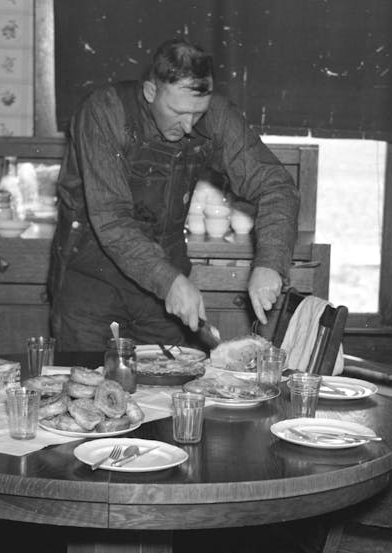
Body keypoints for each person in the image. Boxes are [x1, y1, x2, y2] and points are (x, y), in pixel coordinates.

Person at [48, 38, 300, 351]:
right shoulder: (103, 112)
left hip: (162, 291)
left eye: (198, 114)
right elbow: (112, 220)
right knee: (89, 390)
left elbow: (276, 184)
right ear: (150, 91)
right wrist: (170, 282)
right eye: (177, 112)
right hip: (93, 283)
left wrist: (270, 263)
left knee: (166, 394)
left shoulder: (215, 116)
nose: (190, 126)